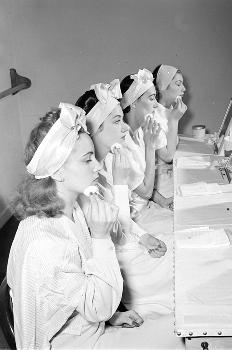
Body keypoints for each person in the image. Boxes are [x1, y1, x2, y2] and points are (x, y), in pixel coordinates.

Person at [7, 103, 143, 349]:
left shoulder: (72, 209)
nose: (98, 166)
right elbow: (97, 307)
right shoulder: (45, 243)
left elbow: (75, 293)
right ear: (57, 171)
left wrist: (113, 317)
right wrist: (101, 238)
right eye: (87, 160)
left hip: (88, 328)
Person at [75, 79, 174, 318]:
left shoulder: (105, 160)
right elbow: (113, 235)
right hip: (118, 266)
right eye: (117, 122)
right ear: (96, 128)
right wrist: (120, 185)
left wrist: (143, 236)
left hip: (125, 248)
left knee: (179, 245)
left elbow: (122, 225)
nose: (125, 128)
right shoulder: (85, 177)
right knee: (181, 262)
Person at [120, 69, 174, 229]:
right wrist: (150, 146)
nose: (156, 104)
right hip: (134, 221)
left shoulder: (139, 131)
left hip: (145, 210)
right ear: (134, 102)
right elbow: (145, 192)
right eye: (151, 98)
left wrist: (162, 200)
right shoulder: (122, 141)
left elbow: (138, 182)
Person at [152, 64, 187, 197]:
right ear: (163, 87)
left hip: (168, 174)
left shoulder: (170, 109)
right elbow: (167, 157)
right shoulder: (153, 115)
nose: (184, 89)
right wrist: (174, 120)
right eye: (178, 84)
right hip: (159, 183)